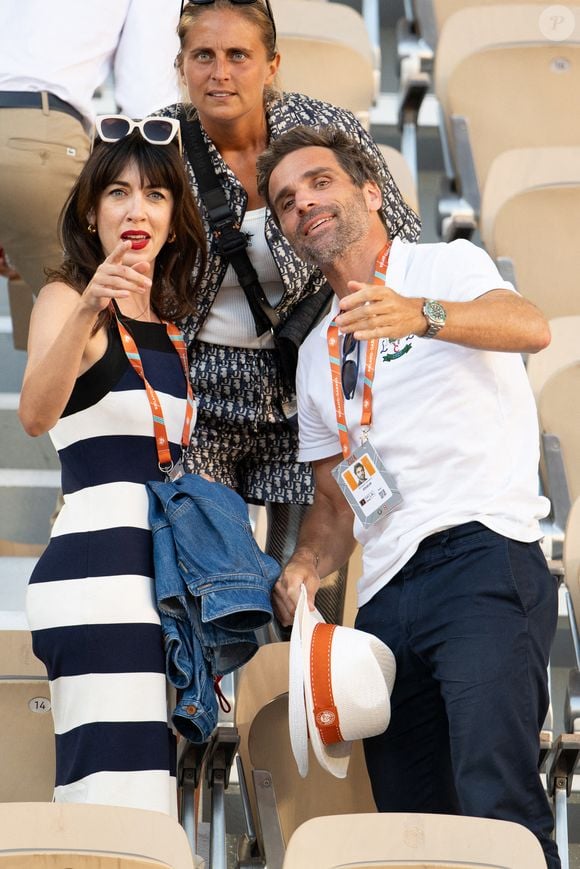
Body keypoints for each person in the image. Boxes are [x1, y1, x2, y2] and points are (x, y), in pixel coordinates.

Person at [256, 126, 560, 868]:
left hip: (482, 557)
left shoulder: (445, 264)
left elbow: (532, 327)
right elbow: (335, 508)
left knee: (499, 806)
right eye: (287, 202)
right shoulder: (317, 351)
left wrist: (422, 313)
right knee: (413, 830)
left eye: (319, 183)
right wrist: (303, 567)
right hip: (386, 598)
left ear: (367, 192)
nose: (305, 205)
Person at [155, 0, 421, 575]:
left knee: (309, 583)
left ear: (272, 64)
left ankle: (301, 667)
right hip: (196, 386)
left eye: (238, 56)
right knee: (211, 584)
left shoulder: (327, 130)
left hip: (307, 377)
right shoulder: (159, 147)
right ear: (181, 64)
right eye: (203, 55)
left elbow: (397, 238)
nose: (219, 72)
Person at [19, 118, 206, 813]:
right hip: (99, 574)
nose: (137, 210)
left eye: (156, 195)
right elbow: (36, 412)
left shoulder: (177, 318)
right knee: (113, 799)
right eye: (119, 193)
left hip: (163, 584)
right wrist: (91, 303)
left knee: (153, 796)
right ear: (91, 212)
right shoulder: (68, 301)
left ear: (173, 217)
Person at [0, 0, 182, 349]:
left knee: (50, 304)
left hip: (24, 143)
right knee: (95, 328)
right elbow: (146, 98)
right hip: (36, 136)